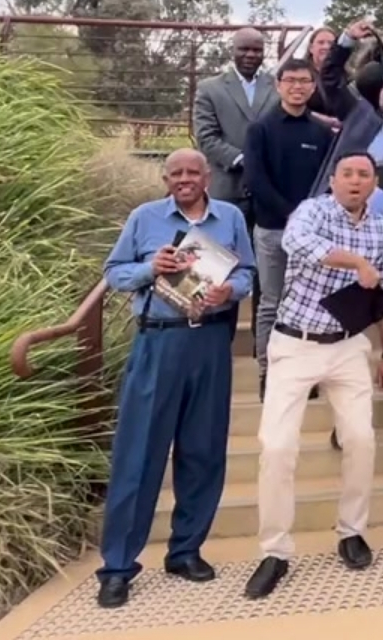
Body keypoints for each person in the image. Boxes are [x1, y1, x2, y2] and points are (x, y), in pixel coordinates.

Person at [94, 149, 255, 608]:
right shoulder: (145, 218)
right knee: (139, 453)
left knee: (203, 451)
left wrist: (230, 290)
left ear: (207, 177)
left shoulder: (230, 218)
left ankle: (185, 551)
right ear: (165, 179)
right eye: (176, 173)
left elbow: (247, 272)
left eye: (193, 172)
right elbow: (114, 274)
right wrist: (152, 269)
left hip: (210, 342)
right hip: (158, 343)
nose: (185, 179)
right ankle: (118, 567)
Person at [246, 153, 383, 599]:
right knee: (277, 447)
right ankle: (275, 550)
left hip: (348, 345)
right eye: (347, 174)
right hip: (295, 343)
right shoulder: (311, 211)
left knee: (361, 439)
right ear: (333, 180)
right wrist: (356, 263)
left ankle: (352, 530)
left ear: (374, 184)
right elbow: (298, 245)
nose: (355, 181)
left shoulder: (381, 227)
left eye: (364, 175)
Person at [241, 58, 334, 396]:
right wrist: (291, 213)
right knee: (271, 303)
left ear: (313, 86)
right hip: (272, 229)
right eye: (290, 80)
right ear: (278, 85)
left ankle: (308, 374)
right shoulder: (260, 129)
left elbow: (328, 183)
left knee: (311, 302)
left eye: (304, 81)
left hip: (312, 235)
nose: (297, 87)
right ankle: (269, 372)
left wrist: (309, 218)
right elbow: (255, 179)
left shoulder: (321, 132)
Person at [192, 28, 277, 221]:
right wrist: (243, 159)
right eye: (244, 49)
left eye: (257, 50)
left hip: (270, 191)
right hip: (227, 188)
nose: (250, 55)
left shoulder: (278, 87)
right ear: (233, 50)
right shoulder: (210, 89)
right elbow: (206, 138)